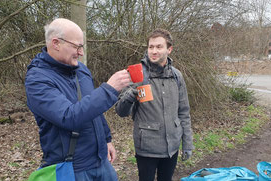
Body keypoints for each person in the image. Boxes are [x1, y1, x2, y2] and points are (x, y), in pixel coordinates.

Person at [25, 18, 131, 181]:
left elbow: (94, 110)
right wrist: (109, 89)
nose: (81, 52)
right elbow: (69, 117)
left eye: (82, 47)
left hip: (101, 163)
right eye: (77, 46)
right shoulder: (37, 79)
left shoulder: (81, 70)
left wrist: (107, 140)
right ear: (56, 43)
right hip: (72, 169)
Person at [115, 29, 194, 181]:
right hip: (147, 148)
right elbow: (121, 111)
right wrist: (131, 94)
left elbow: (184, 112)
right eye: (151, 47)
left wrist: (187, 143)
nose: (154, 51)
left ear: (169, 49)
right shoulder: (136, 74)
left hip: (172, 147)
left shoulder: (176, 76)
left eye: (159, 47)